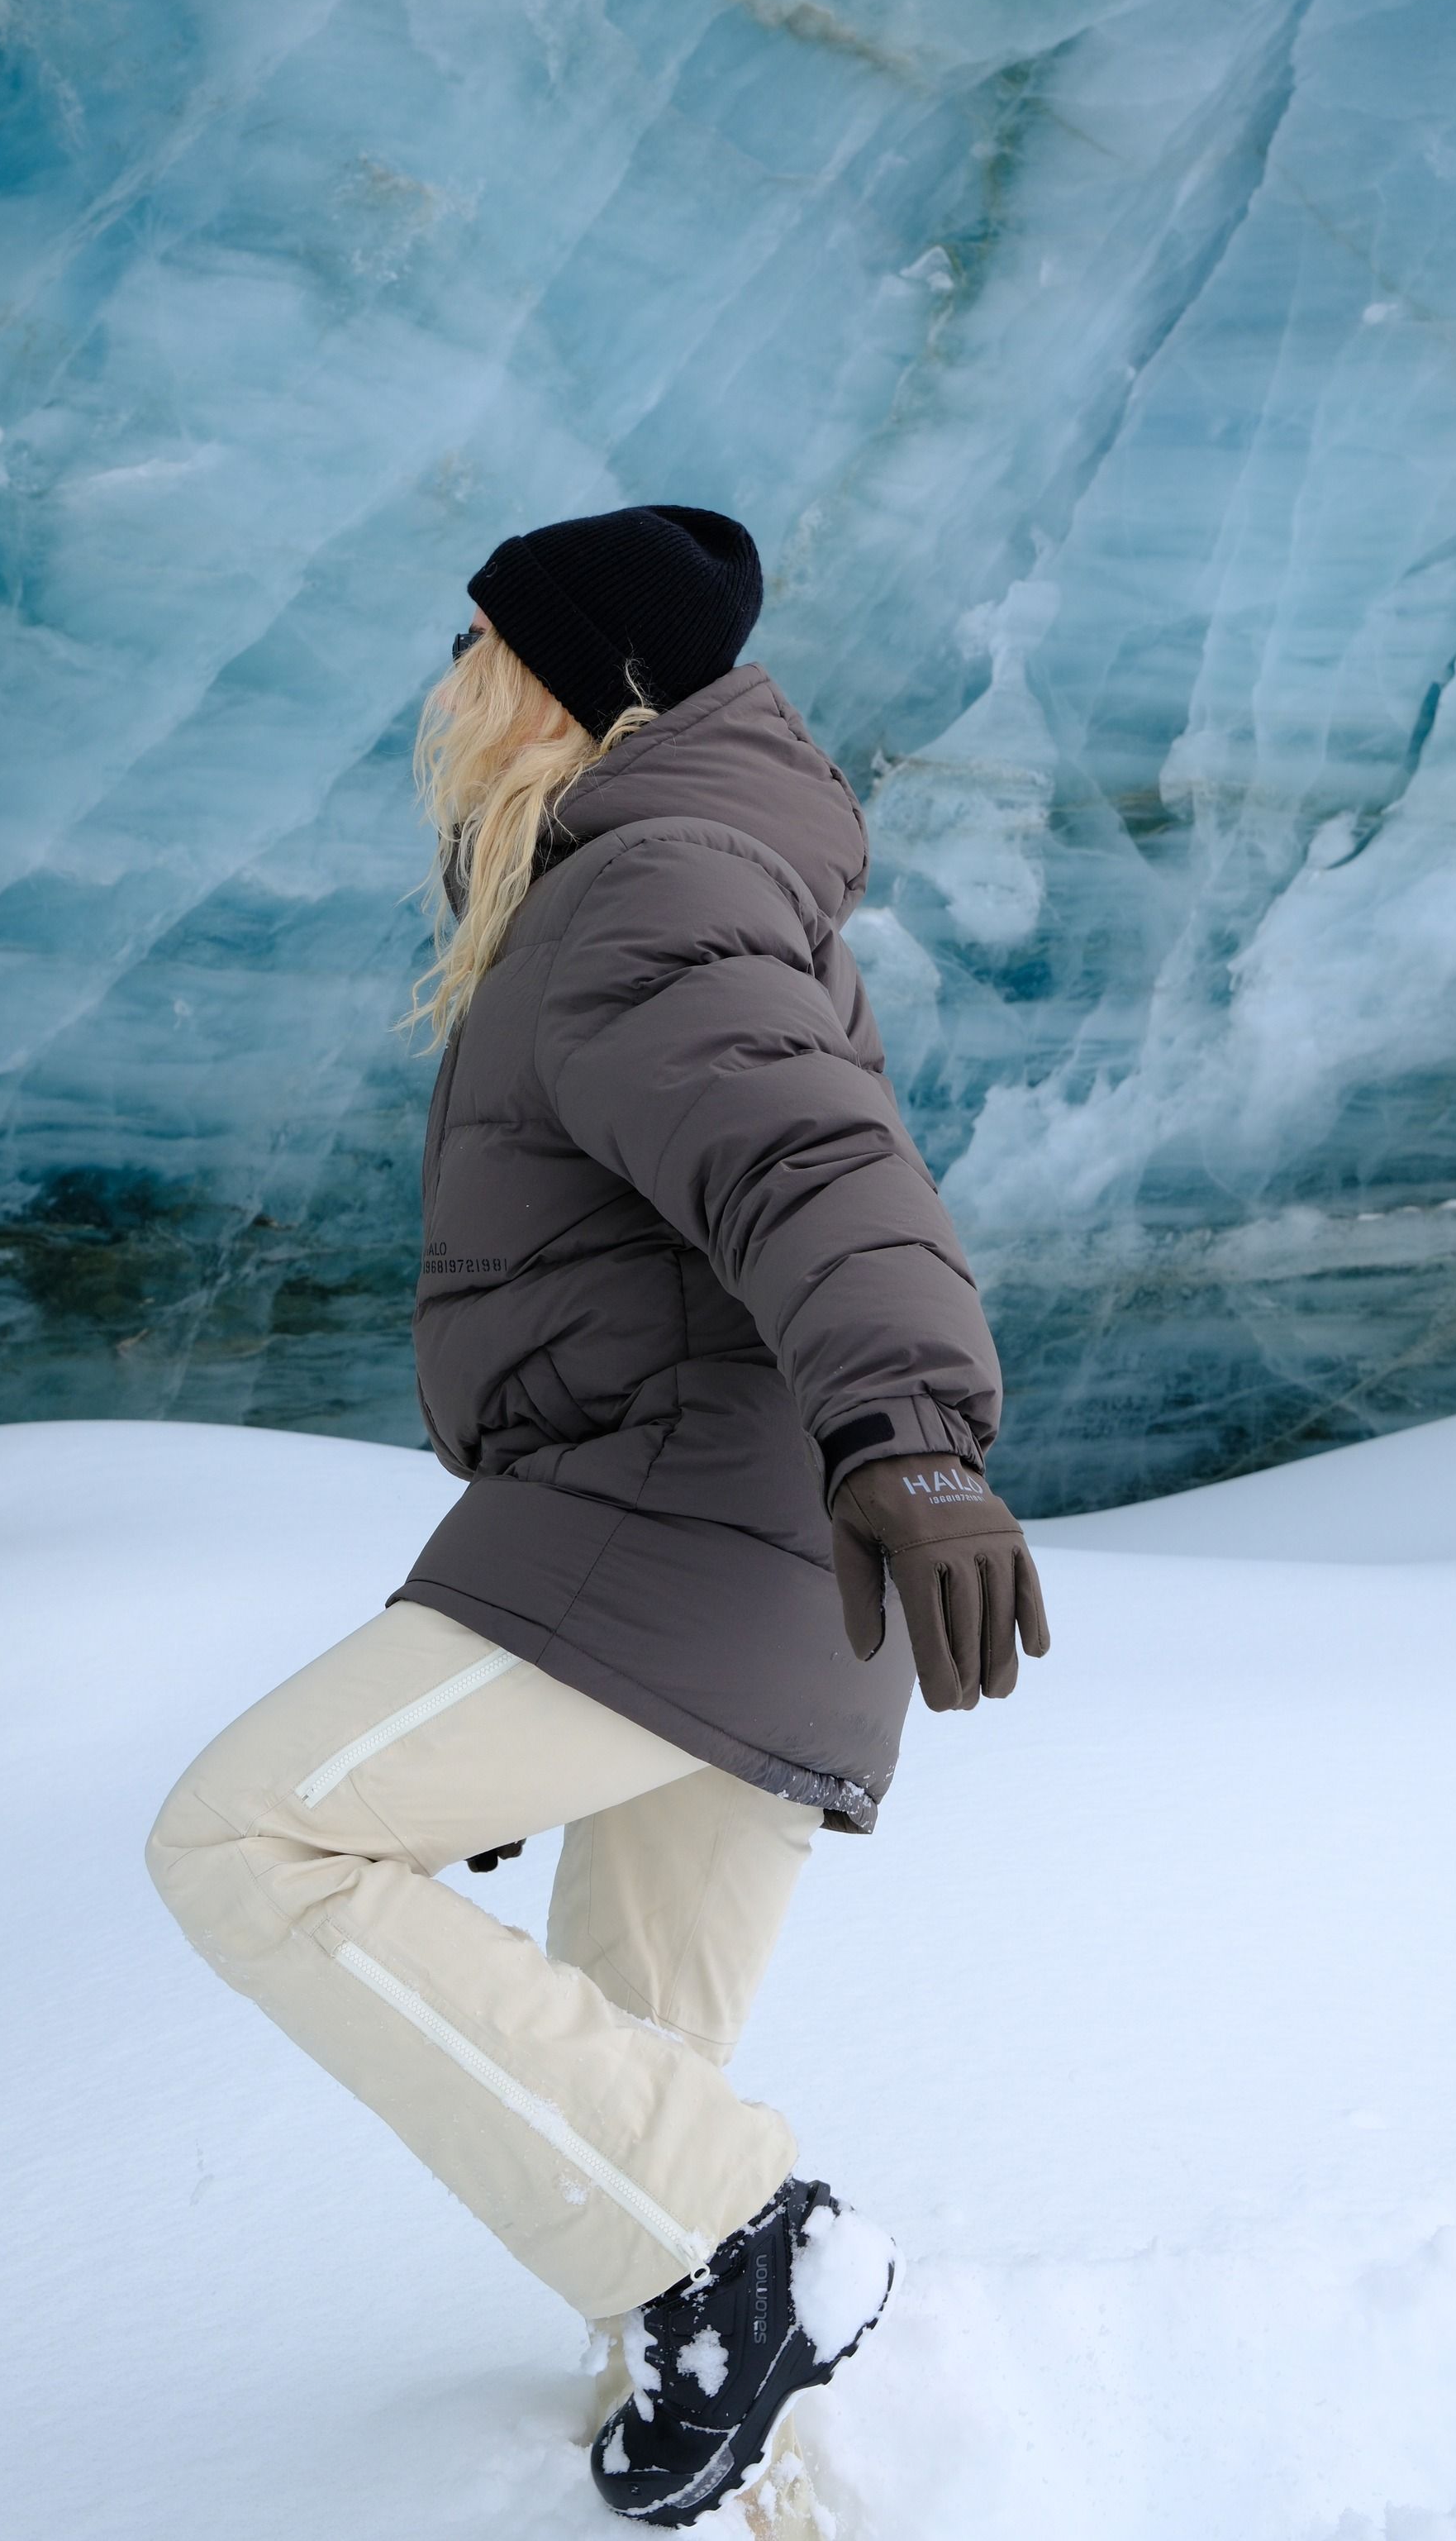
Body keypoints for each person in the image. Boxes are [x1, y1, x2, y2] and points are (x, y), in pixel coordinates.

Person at [146, 503, 1049, 2529]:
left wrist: (912, 1432)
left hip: (678, 1536)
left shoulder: (648, 887)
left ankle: (754, 2242)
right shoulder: (672, 868)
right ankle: (773, 2451)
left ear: (582, 687)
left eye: (482, 650)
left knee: (250, 1832)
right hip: (763, 1561)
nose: (446, 689)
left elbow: (814, 1165)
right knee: (633, 2105)